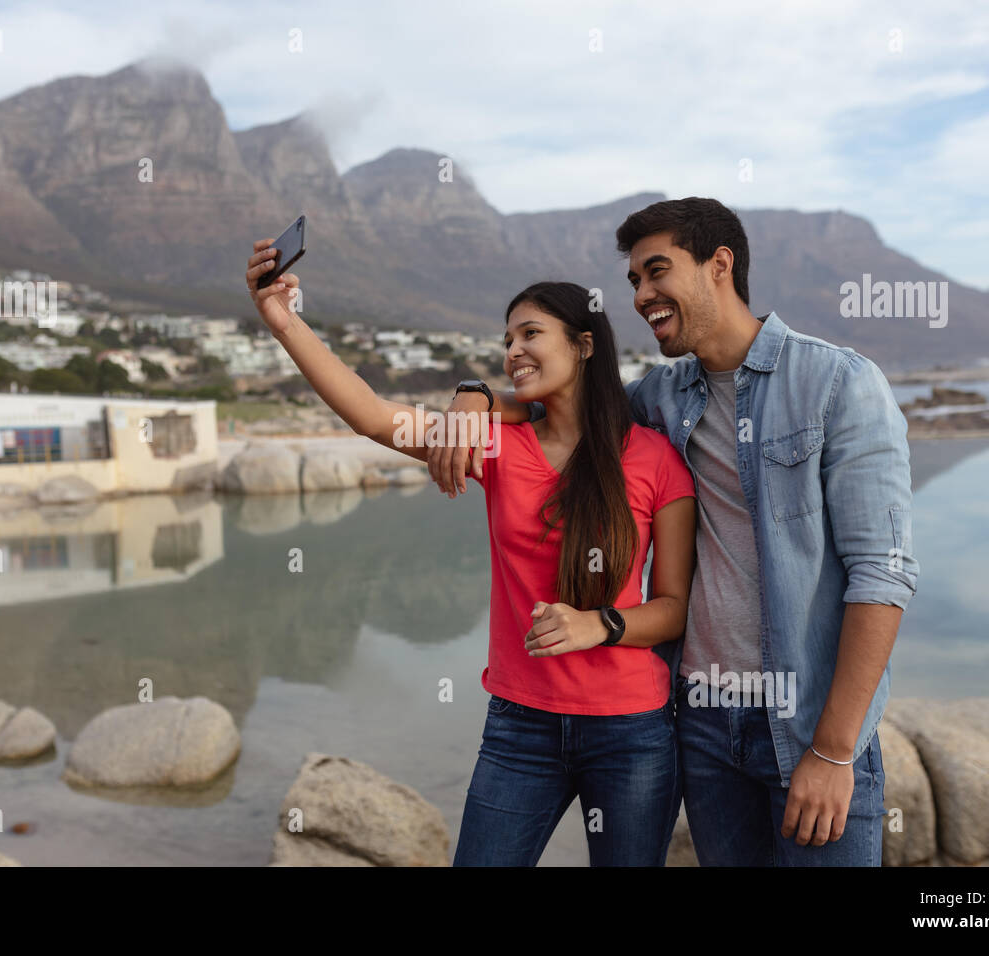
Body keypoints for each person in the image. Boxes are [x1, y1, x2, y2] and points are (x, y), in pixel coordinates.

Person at [431, 197, 919, 866]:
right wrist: (476, 394)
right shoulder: (661, 398)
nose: (641, 295)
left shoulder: (839, 384)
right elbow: (574, 402)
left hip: (805, 725)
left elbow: (882, 573)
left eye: (656, 272)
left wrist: (834, 751)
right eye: (633, 280)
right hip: (704, 726)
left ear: (720, 265)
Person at [245, 242, 696, 866]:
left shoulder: (655, 459)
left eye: (531, 333)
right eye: (507, 338)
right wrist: (284, 323)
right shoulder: (494, 445)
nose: (513, 351)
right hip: (521, 728)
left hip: (632, 731)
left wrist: (599, 624)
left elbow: (674, 607)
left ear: (584, 345)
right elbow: (375, 418)